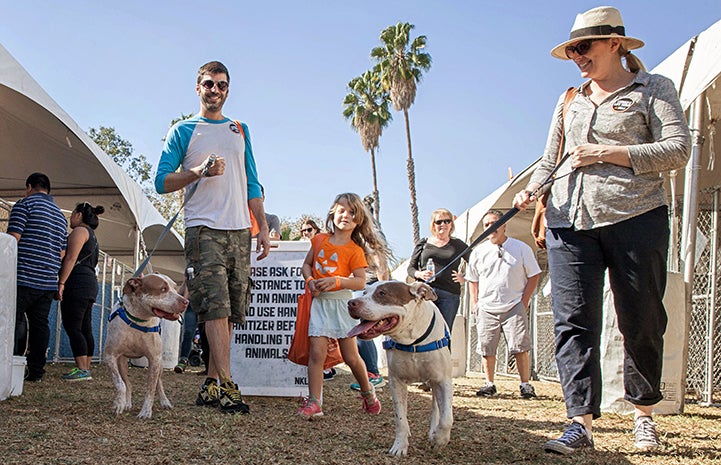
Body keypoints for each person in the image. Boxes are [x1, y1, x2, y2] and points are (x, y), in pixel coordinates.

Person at [512, 6, 691, 455]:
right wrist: (532, 191)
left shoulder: (655, 89)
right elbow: (550, 159)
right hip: (569, 222)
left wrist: (609, 153)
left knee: (641, 317)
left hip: (637, 216)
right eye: (572, 48)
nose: (577, 55)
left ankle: (644, 415)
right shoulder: (569, 98)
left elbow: (678, 148)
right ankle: (580, 422)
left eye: (584, 46)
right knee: (573, 320)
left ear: (615, 43)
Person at [155, 60, 271, 414]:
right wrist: (198, 172)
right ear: (198, 87)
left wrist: (262, 226)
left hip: (239, 230)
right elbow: (161, 182)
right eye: (209, 84)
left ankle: (209, 382)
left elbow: (252, 182)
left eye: (221, 85)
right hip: (203, 228)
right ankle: (228, 385)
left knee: (230, 310)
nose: (215, 90)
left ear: (228, 90)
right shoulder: (183, 130)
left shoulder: (240, 129)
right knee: (216, 307)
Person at [297, 192, 388, 419]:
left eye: (351, 212)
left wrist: (336, 281)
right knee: (316, 354)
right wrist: (310, 282)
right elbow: (306, 265)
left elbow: (360, 280)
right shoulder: (318, 240)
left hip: (342, 305)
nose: (345, 215)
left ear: (358, 220)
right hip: (319, 304)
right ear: (332, 213)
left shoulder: (355, 250)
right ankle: (314, 402)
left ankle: (369, 394)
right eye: (341, 210)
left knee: (351, 356)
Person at [465, 210, 541, 399]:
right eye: (486, 225)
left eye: (494, 223)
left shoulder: (521, 248)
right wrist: (475, 303)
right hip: (486, 307)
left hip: (514, 304)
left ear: (504, 225)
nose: (490, 228)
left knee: (520, 346)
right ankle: (489, 383)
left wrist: (524, 301)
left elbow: (534, 275)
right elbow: (472, 279)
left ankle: (525, 384)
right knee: (486, 346)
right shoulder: (478, 252)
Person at [9, 172, 68, 382]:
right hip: (47, 280)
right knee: (40, 325)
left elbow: (13, 239)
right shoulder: (61, 217)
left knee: (12, 322)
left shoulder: (24, 205)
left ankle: (9, 366)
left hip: (23, 276)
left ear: (29, 186)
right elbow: (62, 253)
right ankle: (36, 371)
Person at [57, 202, 104, 381]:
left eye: (72, 214)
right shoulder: (93, 236)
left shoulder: (80, 232)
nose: (70, 218)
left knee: (73, 325)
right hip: (90, 282)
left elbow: (70, 258)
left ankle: (82, 369)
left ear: (79, 215)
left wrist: (62, 282)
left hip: (77, 282)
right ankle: (86, 366)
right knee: (85, 326)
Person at [349, 195, 389, 391]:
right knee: (358, 330)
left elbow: (381, 263)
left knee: (362, 329)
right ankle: (369, 372)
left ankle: (373, 372)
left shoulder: (371, 236)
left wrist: (383, 290)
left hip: (368, 286)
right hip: (355, 286)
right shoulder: (354, 236)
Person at [407, 208, 470, 333]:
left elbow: (477, 263)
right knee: (423, 330)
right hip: (426, 293)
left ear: (451, 224)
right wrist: (419, 273)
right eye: (439, 222)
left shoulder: (458, 244)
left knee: (444, 331)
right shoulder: (423, 243)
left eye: (447, 221)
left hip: (449, 294)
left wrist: (464, 277)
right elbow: (411, 268)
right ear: (433, 225)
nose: (443, 225)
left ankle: (446, 352)